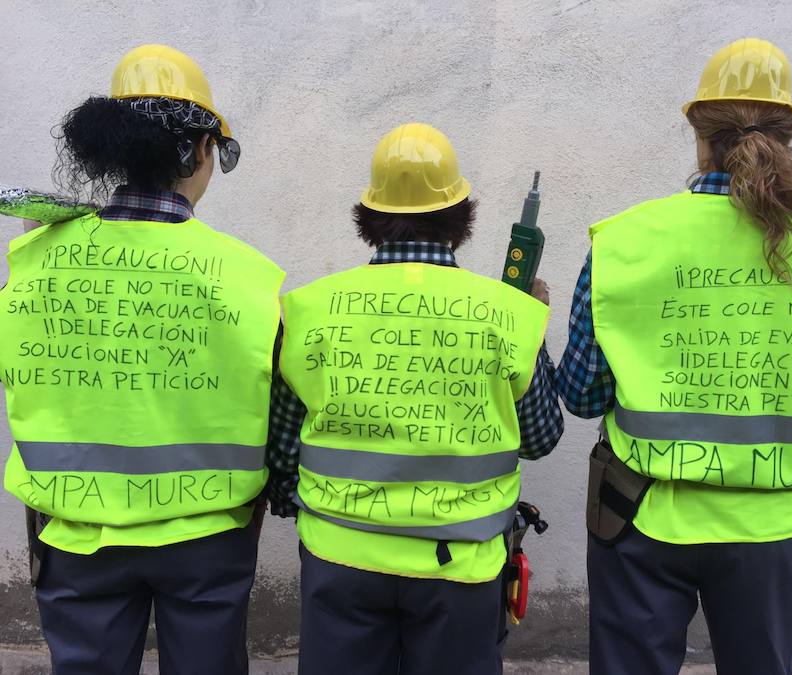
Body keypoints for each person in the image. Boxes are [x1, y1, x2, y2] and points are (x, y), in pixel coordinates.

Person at [554, 38, 792, 675]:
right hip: (771, 530)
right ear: (789, 135)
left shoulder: (624, 241)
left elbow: (580, 396)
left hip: (640, 520)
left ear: (698, 133)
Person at [0, 44, 284, 674]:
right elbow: (277, 408)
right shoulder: (248, 277)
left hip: (77, 533)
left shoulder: (37, 262)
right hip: (207, 536)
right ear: (202, 151)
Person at [267, 122, 564, 675]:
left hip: (339, 555)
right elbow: (542, 437)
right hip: (462, 566)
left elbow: (282, 450)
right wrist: (534, 332)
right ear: (461, 218)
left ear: (370, 216)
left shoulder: (307, 308)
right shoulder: (511, 313)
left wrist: (301, 511)